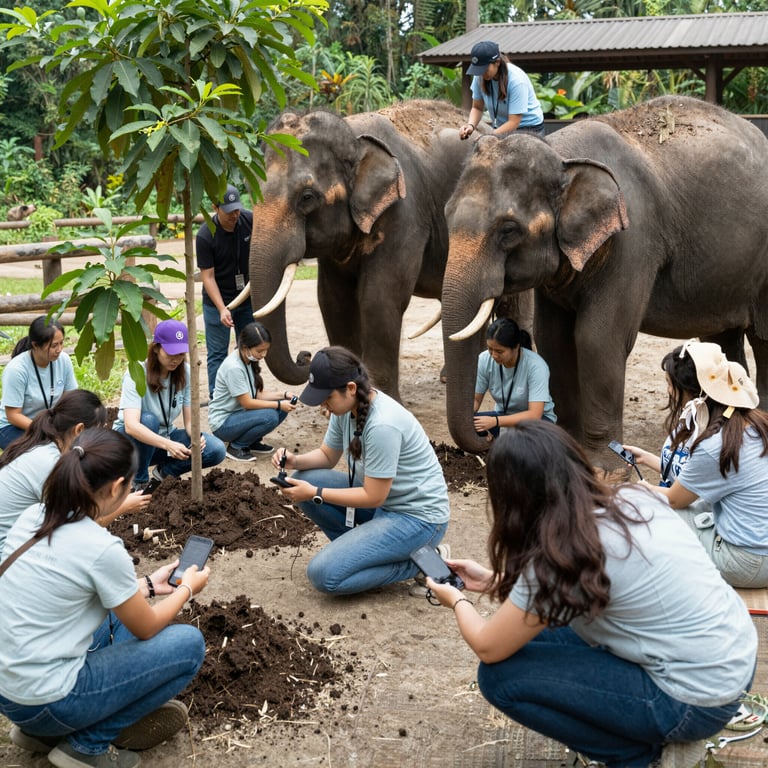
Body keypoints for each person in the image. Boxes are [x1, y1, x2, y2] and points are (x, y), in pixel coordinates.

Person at [425, 420, 756, 767]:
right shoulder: (632, 498)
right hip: (732, 662)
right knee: (534, 639)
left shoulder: (561, 556)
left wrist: (457, 599)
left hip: (695, 701)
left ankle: (641, 757)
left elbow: (488, 647)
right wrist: (496, 580)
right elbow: (569, 592)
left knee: (499, 679)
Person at [0, 428, 209, 768]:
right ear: (115, 488)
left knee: (113, 617)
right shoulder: (101, 548)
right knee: (188, 644)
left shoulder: (35, 516)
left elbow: (70, 592)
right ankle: (87, 745)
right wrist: (188, 588)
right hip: (46, 700)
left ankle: (41, 734)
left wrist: (150, 587)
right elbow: (147, 627)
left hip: (8, 693)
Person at [270, 346, 450, 595]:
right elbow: (327, 456)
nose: (323, 405)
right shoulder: (345, 408)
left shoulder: (383, 424)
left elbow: (374, 496)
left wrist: (315, 492)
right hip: (383, 506)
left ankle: (421, 562)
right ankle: (362, 554)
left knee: (323, 576)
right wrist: (294, 461)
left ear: (351, 388)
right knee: (301, 478)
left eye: (326, 397)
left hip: (417, 519)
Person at [647, 341, 768, 587]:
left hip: (747, 564)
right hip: (761, 553)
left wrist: (638, 490)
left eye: (671, 385)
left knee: (653, 513)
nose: (669, 392)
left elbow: (673, 499)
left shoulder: (715, 445)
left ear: (694, 394)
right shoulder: (756, 424)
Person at [0, 389, 150, 553]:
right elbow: (77, 528)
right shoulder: (50, 465)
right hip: (7, 557)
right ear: (79, 430)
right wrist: (123, 506)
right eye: (96, 432)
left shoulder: (38, 445)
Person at [112, 319, 226, 488]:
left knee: (215, 449)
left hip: (163, 438)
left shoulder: (186, 372)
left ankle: (164, 474)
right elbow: (131, 426)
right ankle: (138, 482)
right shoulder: (136, 372)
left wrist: (195, 435)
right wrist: (168, 444)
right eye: (171, 353)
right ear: (156, 348)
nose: (176, 359)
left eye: (180, 354)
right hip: (130, 445)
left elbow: (189, 420)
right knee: (149, 420)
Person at [196, 183, 254, 398]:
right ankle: (217, 398)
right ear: (215, 208)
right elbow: (207, 277)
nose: (235, 215)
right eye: (229, 211)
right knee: (217, 354)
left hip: (246, 298)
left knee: (248, 350)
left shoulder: (249, 220)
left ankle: (249, 395)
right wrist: (222, 309)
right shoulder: (205, 236)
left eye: (237, 209)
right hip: (216, 303)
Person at [208, 321, 298, 461]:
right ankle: (236, 447)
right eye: (260, 351)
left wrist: (283, 395)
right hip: (223, 424)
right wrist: (279, 404)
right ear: (245, 347)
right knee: (271, 416)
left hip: (238, 416)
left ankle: (252, 441)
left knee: (281, 408)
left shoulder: (247, 360)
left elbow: (256, 394)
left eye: (266, 350)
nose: (263, 354)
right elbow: (248, 403)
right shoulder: (234, 367)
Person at [623, 343, 710, 487]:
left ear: (688, 387)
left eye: (669, 384)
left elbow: (679, 498)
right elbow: (680, 472)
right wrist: (645, 457)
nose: (668, 390)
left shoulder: (710, 436)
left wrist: (650, 490)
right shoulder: (689, 419)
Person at [0, 316, 78, 449]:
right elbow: (13, 415)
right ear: (35, 345)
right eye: (54, 345)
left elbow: (70, 399)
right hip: (13, 427)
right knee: (41, 453)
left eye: (61, 343)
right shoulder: (16, 369)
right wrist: (46, 432)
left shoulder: (63, 360)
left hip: (48, 425)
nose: (59, 349)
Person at [473, 318, 556, 441]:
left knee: (530, 441)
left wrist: (495, 421)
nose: (494, 355)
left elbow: (534, 415)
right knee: (466, 425)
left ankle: (500, 443)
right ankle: (493, 443)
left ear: (516, 347)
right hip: (502, 418)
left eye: (499, 351)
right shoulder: (484, 359)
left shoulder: (536, 366)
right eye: (490, 349)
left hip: (536, 423)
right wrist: (469, 417)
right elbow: (475, 399)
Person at [458, 41, 544, 140]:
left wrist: (488, 136)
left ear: (497, 62)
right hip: (502, 127)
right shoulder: (480, 77)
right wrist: (470, 126)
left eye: (484, 69)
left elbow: (514, 122)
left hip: (529, 127)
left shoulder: (517, 80)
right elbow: (477, 107)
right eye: (478, 70)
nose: (481, 74)